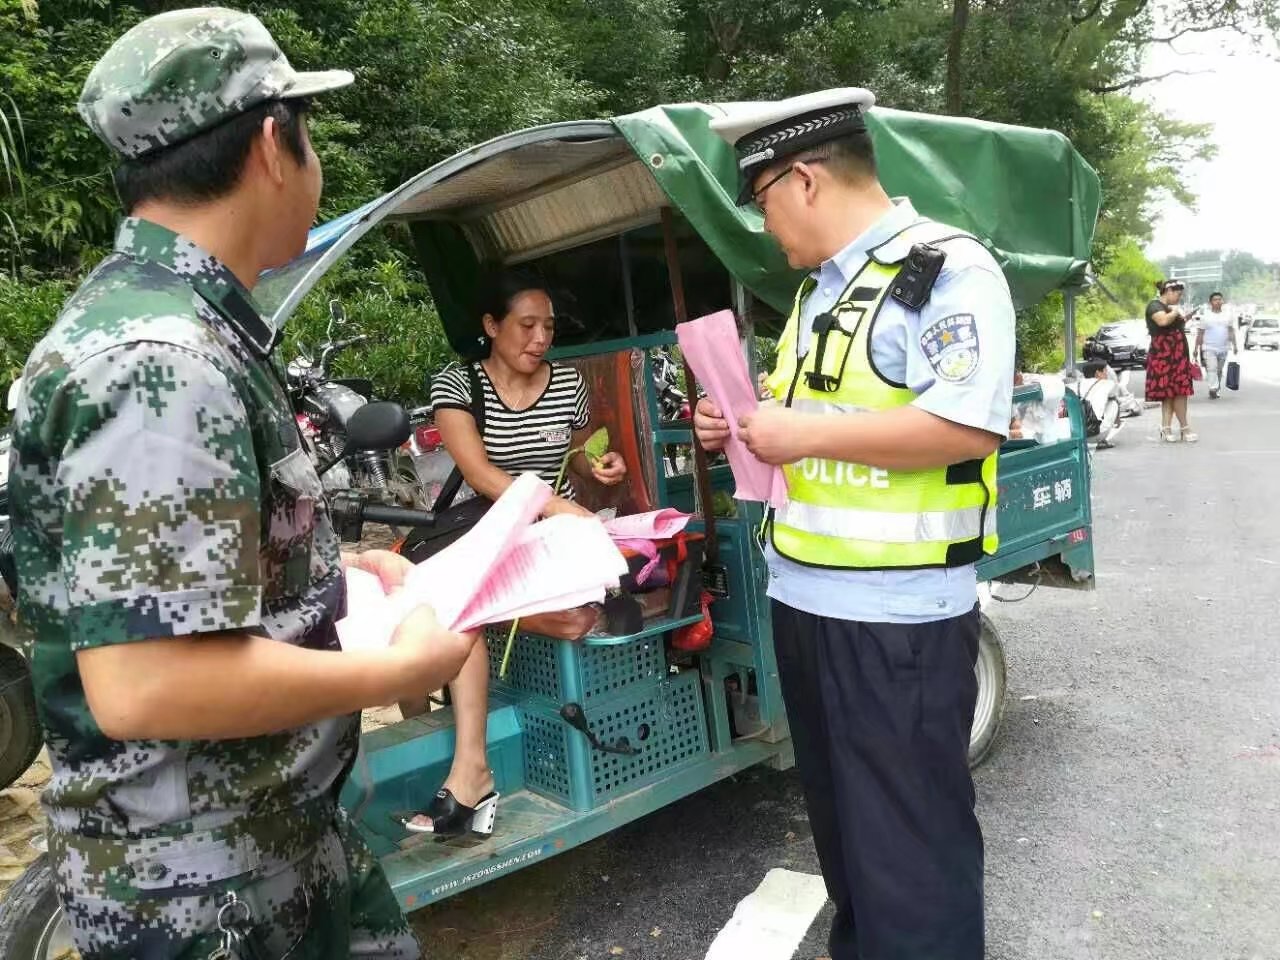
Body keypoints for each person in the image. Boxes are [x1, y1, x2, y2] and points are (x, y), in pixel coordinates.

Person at [6, 9, 477, 957]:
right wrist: (402, 671)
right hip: (208, 893)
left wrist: (336, 573)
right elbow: (147, 679)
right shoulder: (157, 359)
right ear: (273, 143)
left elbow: (177, 587)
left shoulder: (186, 329)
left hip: (269, 846)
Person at [696, 88, 1013, 960]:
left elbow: (966, 424)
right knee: (851, 851)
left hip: (897, 621)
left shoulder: (946, 270)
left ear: (803, 179)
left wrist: (805, 431)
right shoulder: (818, 296)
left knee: (911, 859)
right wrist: (745, 423)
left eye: (761, 202)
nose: (765, 228)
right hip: (809, 604)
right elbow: (815, 424)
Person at [403, 269, 628, 835]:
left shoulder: (568, 383)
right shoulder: (457, 384)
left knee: (500, 614)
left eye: (548, 327)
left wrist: (599, 467)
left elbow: (574, 458)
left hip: (552, 536)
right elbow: (479, 474)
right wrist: (549, 504)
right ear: (490, 325)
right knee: (450, 610)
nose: (539, 339)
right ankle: (460, 762)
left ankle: (469, 775)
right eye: (526, 325)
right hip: (492, 529)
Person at [1145, 279, 1198, 442]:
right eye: (1178, 294)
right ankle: (1184, 428)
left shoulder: (1169, 308)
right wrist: (1176, 311)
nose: (1179, 298)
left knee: (1176, 391)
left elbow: (1173, 324)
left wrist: (1184, 316)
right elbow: (1162, 321)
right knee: (1171, 392)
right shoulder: (1155, 306)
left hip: (1178, 353)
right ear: (1168, 292)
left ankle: (1166, 428)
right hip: (1163, 354)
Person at [1195, 291, 1237, 399]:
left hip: (1223, 347)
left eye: (1219, 299)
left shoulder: (1228, 315)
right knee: (1212, 368)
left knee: (1219, 370)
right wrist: (1196, 348)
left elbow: (1231, 331)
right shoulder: (1205, 316)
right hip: (1209, 347)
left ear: (1222, 301)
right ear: (1210, 302)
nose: (1218, 301)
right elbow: (1200, 333)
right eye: (1215, 299)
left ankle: (1216, 389)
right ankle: (1213, 388)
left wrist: (1235, 345)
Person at [1075, 360, 1123, 449]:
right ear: (1098, 373)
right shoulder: (1108, 383)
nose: (1107, 374)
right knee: (1113, 402)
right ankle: (1101, 439)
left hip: (1076, 434)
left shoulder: (1077, 384)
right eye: (1105, 371)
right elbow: (1114, 395)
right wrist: (1118, 418)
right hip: (1094, 434)